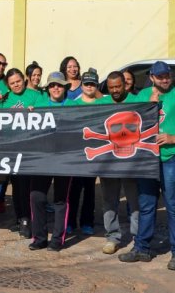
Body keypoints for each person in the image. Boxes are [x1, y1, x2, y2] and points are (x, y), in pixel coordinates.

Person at [119, 61, 175, 271]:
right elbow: (128, 121)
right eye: (160, 76)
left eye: (167, 75)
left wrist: (174, 138)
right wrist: (148, 104)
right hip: (147, 158)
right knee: (146, 203)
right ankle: (142, 248)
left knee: (174, 204)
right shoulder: (143, 95)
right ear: (152, 77)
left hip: (172, 157)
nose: (165, 79)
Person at [97, 71, 140, 255]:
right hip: (108, 163)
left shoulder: (139, 102)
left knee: (135, 201)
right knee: (109, 200)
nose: (114, 90)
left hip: (133, 162)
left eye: (118, 86)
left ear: (125, 85)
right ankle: (112, 237)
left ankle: (139, 237)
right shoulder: (101, 104)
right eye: (111, 87)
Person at [29, 71, 73, 252]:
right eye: (53, 85)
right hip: (42, 158)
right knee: (36, 196)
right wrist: (28, 114)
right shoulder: (38, 104)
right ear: (48, 88)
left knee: (61, 199)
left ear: (65, 88)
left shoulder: (73, 106)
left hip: (65, 159)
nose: (56, 88)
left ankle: (57, 239)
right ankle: (39, 237)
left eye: (60, 85)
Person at [2, 68, 42, 238]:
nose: (16, 85)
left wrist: (36, 111)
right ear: (8, 86)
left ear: (24, 80)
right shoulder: (5, 99)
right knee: (16, 186)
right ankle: (19, 218)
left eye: (18, 81)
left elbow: (46, 113)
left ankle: (27, 220)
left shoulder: (35, 95)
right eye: (12, 83)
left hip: (30, 149)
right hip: (12, 148)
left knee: (26, 187)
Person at [65, 68, 100, 236]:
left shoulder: (103, 104)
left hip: (94, 154)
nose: (89, 86)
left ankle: (87, 221)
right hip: (76, 154)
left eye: (92, 84)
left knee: (90, 190)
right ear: (82, 85)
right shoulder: (72, 104)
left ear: (97, 85)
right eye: (86, 83)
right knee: (74, 190)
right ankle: (70, 221)